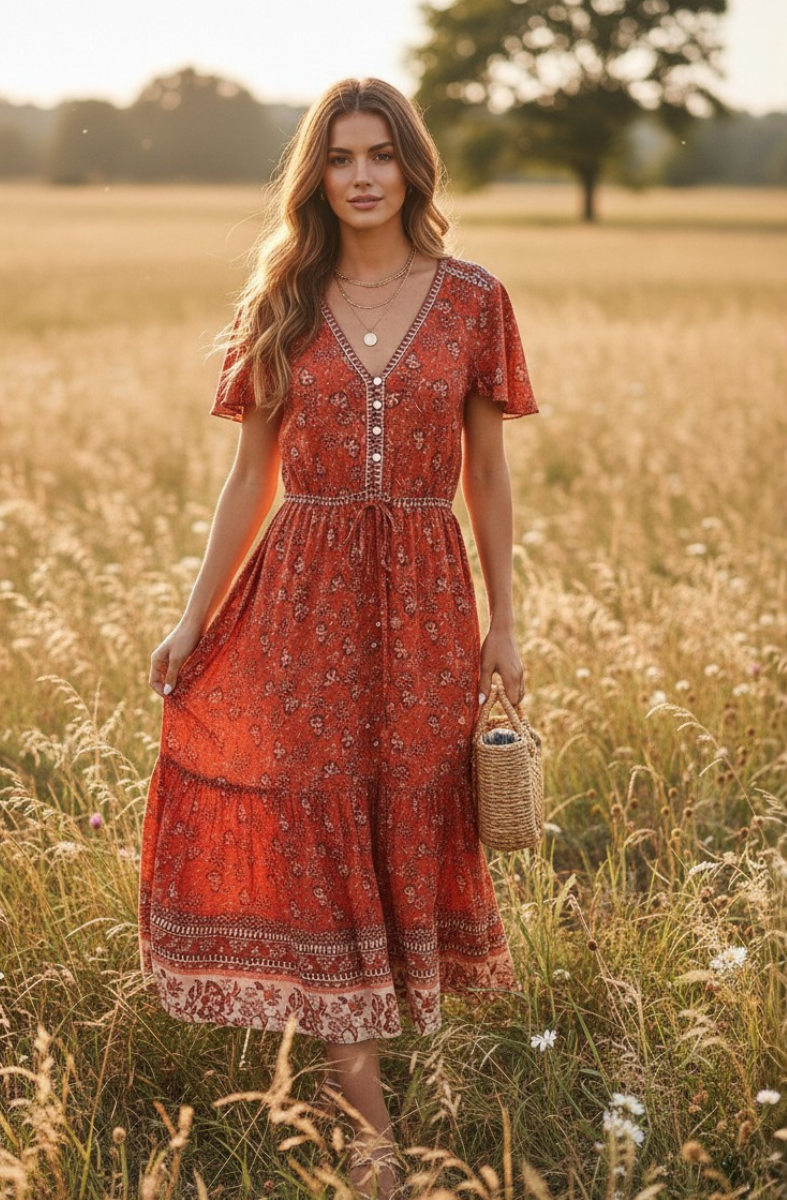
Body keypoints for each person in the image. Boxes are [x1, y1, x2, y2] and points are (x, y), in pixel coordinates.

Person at [139, 76, 538, 1200]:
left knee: (397, 811)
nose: (361, 176)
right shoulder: (283, 299)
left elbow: (489, 478)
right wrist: (193, 616)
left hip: (423, 602)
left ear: (413, 166)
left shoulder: (472, 300)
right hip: (297, 598)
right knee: (314, 829)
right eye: (339, 157)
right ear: (315, 175)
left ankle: (370, 1053)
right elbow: (248, 477)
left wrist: (506, 622)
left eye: (380, 155)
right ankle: (366, 1125)